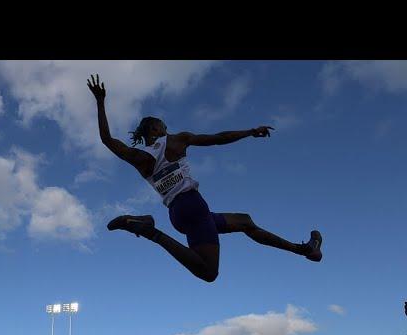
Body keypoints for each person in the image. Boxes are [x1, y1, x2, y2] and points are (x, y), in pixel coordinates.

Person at [87, 74, 322, 283]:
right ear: (155, 129)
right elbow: (219, 138)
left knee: (245, 222)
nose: (167, 129)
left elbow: (107, 139)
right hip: (194, 207)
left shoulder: (139, 158)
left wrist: (100, 101)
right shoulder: (177, 140)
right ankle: (151, 232)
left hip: (180, 213)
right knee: (209, 273)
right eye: (164, 126)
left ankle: (303, 250)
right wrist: (250, 132)